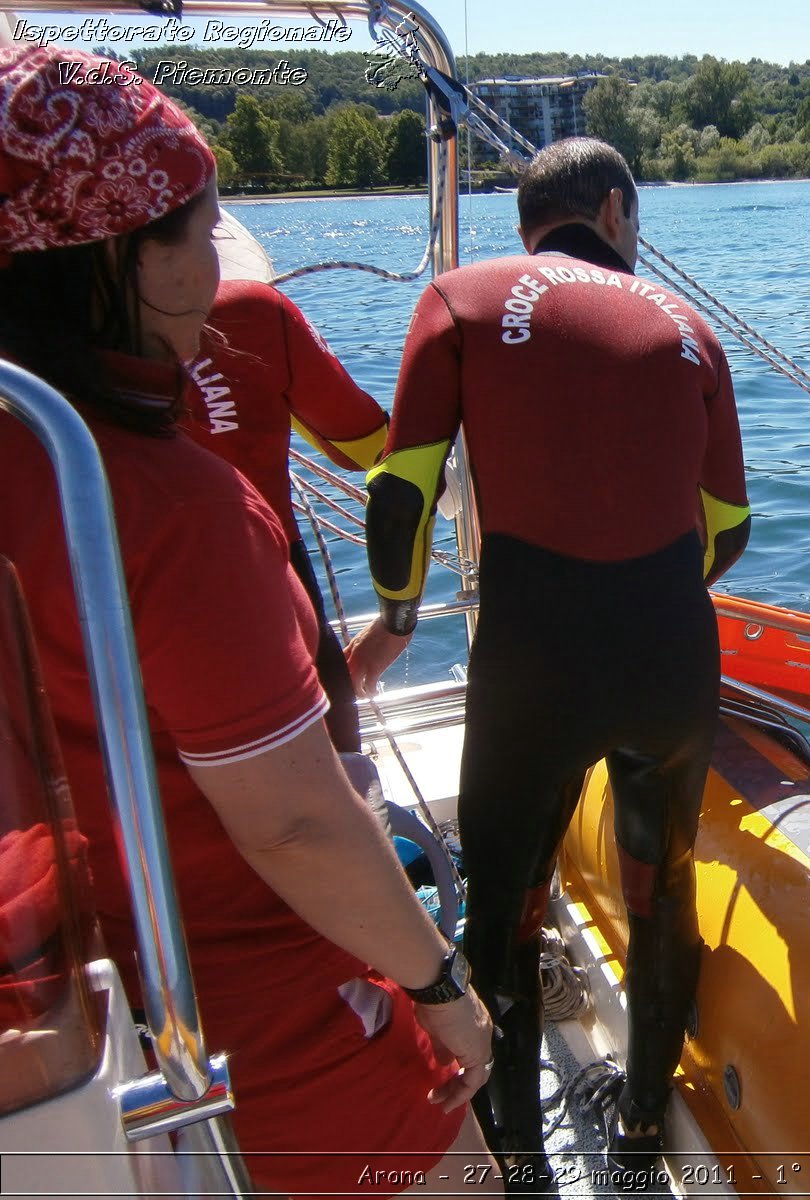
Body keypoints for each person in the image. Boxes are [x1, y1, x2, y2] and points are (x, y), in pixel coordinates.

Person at [0, 46, 500, 1197]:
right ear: (123, 253)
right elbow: (294, 830)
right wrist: (442, 991)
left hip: (74, 993)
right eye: (201, 233)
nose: (212, 268)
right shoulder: (165, 504)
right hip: (250, 1004)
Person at [350, 137, 751, 1184]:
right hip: (671, 657)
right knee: (665, 894)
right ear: (616, 212)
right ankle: (641, 1133)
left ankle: (520, 1162)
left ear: (532, 222)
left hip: (534, 667)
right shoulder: (690, 325)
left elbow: (400, 495)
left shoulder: (461, 297)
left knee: (502, 913)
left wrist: (398, 610)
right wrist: (648, 596)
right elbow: (729, 529)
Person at [180, 277, 390, 753]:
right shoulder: (249, 310)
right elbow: (364, 446)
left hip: (82, 619)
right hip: (261, 585)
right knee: (327, 749)